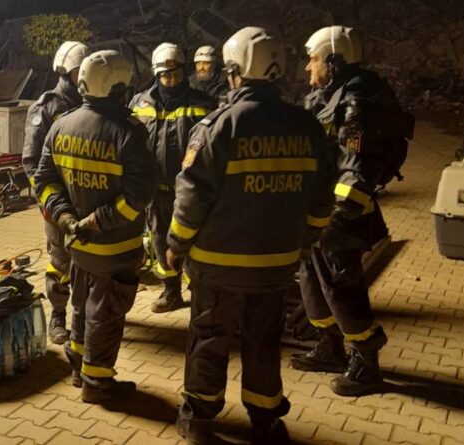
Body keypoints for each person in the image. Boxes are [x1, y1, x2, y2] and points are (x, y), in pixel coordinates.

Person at [167, 27, 336, 444]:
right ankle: (266, 421)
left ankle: (199, 421)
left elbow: (191, 197)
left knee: (208, 342)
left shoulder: (219, 126)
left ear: (235, 72)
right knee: (264, 344)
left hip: (217, 267)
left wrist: (175, 245)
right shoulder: (307, 126)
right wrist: (305, 243)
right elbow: (322, 198)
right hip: (275, 267)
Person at [291, 25, 413, 397]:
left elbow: (356, 170)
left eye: (313, 60)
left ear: (334, 61)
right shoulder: (328, 95)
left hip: (340, 217)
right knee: (313, 283)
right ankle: (329, 347)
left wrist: (336, 219)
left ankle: (366, 361)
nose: (307, 68)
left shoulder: (357, 103)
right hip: (317, 211)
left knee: (342, 288)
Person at [33, 50, 157, 404]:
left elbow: (44, 183)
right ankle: (98, 384)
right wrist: (96, 222)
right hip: (114, 249)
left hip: (76, 245)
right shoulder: (130, 133)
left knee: (81, 306)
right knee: (106, 314)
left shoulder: (62, 125)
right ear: (118, 87)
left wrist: (67, 219)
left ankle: (78, 368)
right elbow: (139, 196)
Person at [130, 42, 216, 313]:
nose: (171, 79)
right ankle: (171, 292)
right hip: (155, 191)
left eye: (176, 74)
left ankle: (199, 291)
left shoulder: (203, 103)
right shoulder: (139, 104)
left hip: (191, 192)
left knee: (195, 241)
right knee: (160, 240)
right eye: (165, 75)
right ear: (156, 74)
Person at [22, 41, 90, 345]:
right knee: (60, 262)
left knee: (89, 261)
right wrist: (48, 201)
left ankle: (85, 314)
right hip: (57, 201)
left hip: (88, 199)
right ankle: (58, 315)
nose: (84, 74)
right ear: (66, 72)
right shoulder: (46, 108)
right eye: (79, 70)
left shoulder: (94, 103)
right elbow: (31, 162)